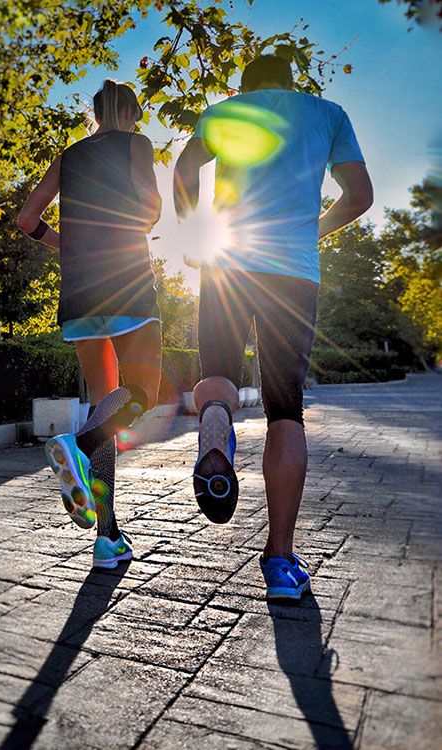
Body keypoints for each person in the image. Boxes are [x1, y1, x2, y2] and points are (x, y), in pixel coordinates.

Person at [173, 55, 373, 600]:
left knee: (216, 374)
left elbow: (184, 171)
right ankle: (280, 562)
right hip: (293, 273)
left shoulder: (224, 112)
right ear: (289, 82)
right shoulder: (328, 114)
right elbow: (360, 195)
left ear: (246, 87)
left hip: (228, 262)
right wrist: (316, 230)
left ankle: (215, 428)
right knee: (287, 408)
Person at [17, 79, 162, 570]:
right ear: (131, 114)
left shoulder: (70, 155)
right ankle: (77, 447)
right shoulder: (136, 145)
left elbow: (27, 219)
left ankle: (108, 538)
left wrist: (68, 245)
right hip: (127, 282)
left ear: (96, 114)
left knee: (105, 405)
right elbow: (152, 209)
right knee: (143, 394)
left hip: (78, 291)